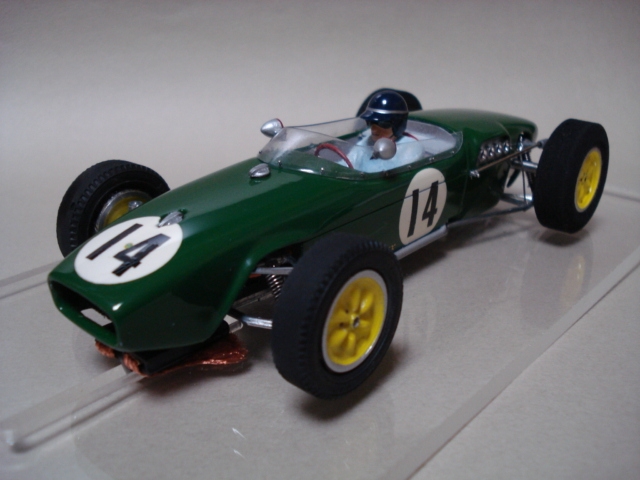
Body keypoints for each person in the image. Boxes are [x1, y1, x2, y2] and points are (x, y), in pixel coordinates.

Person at [348, 90, 424, 172]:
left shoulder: (411, 147)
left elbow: (398, 175)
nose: (374, 129)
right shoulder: (367, 142)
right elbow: (349, 161)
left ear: (397, 125)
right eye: (371, 122)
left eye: (382, 123)